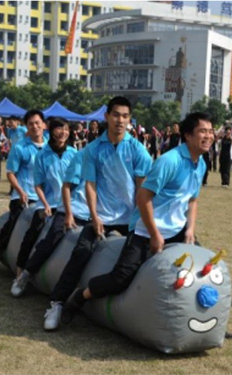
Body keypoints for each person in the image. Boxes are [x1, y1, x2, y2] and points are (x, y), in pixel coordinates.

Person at [43, 96, 152, 331]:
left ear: (129, 119)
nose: (120, 120)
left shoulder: (138, 150)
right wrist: (94, 216)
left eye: (125, 116)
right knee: (81, 252)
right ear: (106, 117)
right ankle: (57, 303)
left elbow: (142, 189)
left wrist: (142, 220)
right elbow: (90, 185)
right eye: (116, 115)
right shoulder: (92, 149)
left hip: (130, 218)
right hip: (102, 214)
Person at [11, 147, 91, 297]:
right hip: (73, 207)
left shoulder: (122, 160)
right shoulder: (81, 156)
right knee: (51, 236)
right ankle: (25, 274)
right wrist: (67, 213)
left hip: (99, 214)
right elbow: (66, 187)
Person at [11, 117, 76, 294]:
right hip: (49, 202)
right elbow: (38, 184)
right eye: (59, 129)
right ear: (51, 131)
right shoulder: (42, 156)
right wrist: (45, 204)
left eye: (66, 129)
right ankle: (22, 274)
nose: (63, 132)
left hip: (71, 203)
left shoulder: (74, 154)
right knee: (35, 231)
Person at [0, 110, 46, 275]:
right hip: (24, 195)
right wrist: (20, 191)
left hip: (46, 198)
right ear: (26, 126)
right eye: (31, 123)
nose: (34, 126)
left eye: (37, 123)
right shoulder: (20, 148)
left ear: (44, 125)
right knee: (12, 224)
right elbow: (10, 173)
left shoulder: (50, 147)